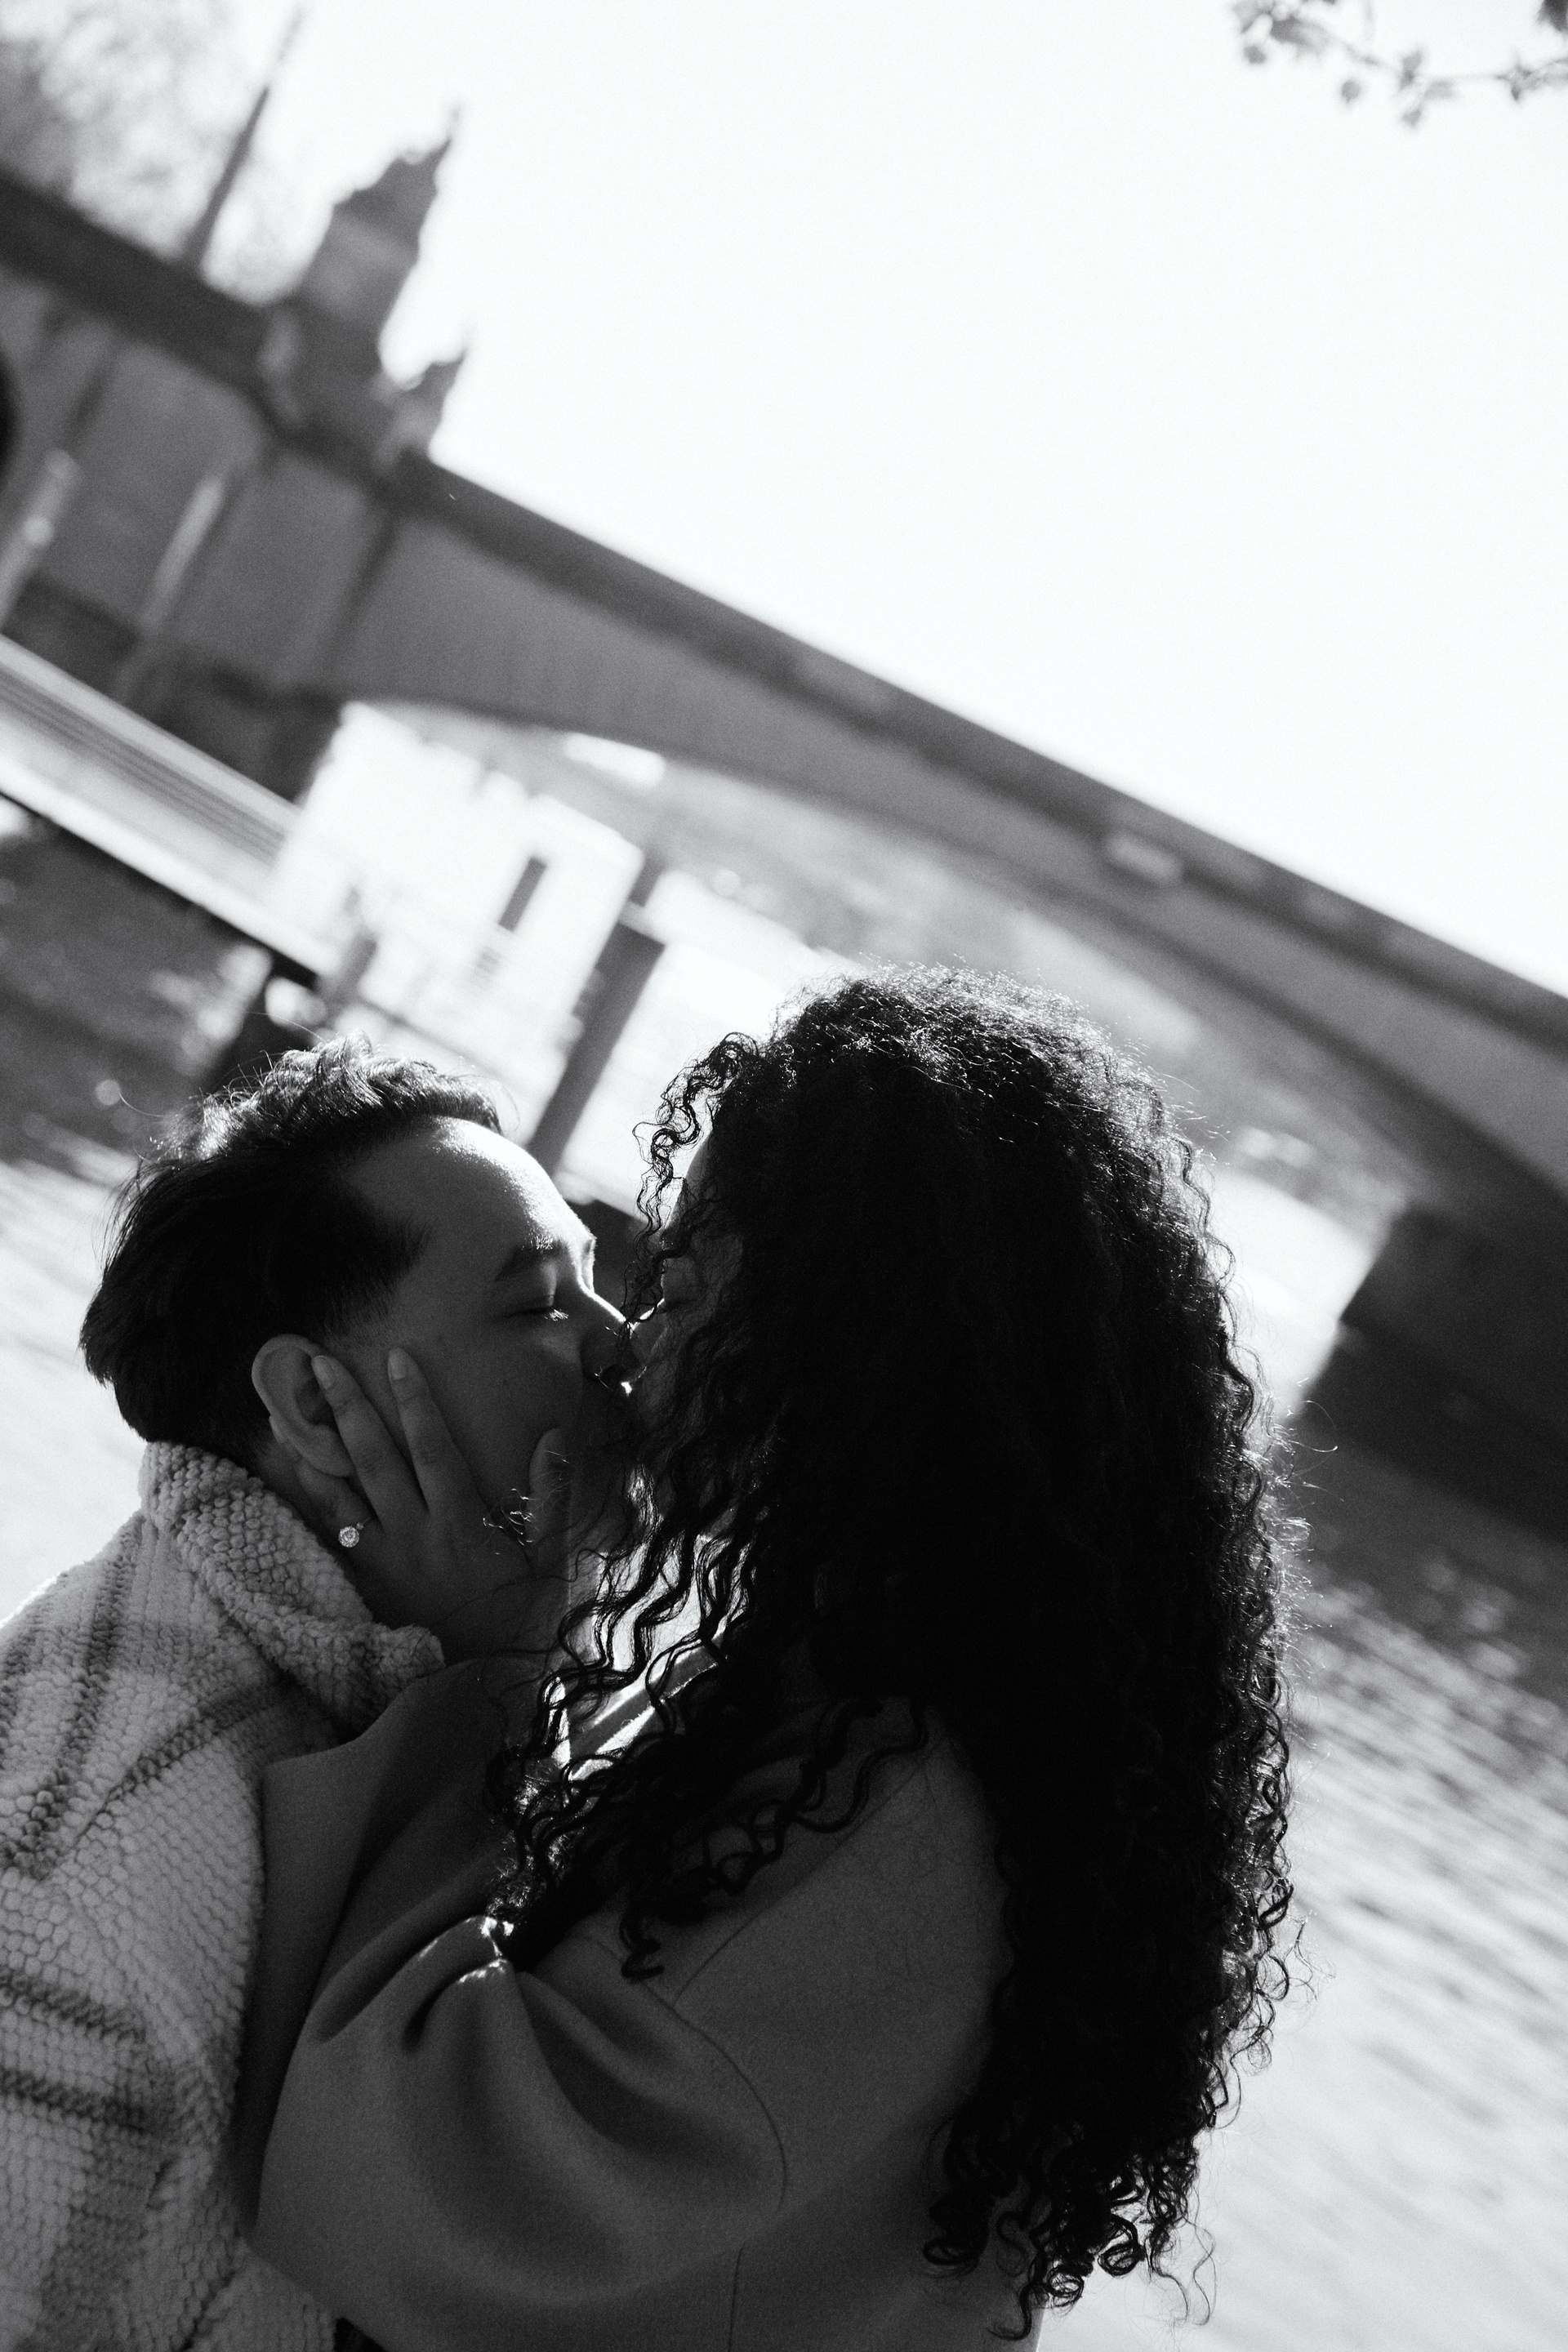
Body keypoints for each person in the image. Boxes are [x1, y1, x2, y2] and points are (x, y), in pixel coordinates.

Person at [234, 969, 1298, 2350]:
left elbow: (382, 2190)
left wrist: (484, 1662)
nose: (628, 1351)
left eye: (677, 1287)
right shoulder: (973, 1732)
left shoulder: (890, 1824)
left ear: (852, 1345)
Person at [0, 1040, 621, 2350]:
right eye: (536, 1303)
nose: (620, 1345)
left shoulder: (420, 1671)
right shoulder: (70, 1881)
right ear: (318, 1409)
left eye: (597, 1277)